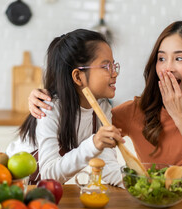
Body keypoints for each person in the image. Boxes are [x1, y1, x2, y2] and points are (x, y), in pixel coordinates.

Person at [27, 21, 182, 187]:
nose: (167, 67)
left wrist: (181, 119)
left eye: (179, 58)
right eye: (161, 58)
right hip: (154, 204)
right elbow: (84, 118)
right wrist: (47, 96)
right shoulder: (137, 109)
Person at [7, 29, 124, 187]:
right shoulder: (50, 108)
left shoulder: (102, 109)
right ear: (78, 77)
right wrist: (94, 144)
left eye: (113, 65)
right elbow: (48, 174)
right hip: (14, 185)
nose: (114, 73)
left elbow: (109, 167)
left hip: (43, 192)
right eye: (105, 67)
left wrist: (144, 184)